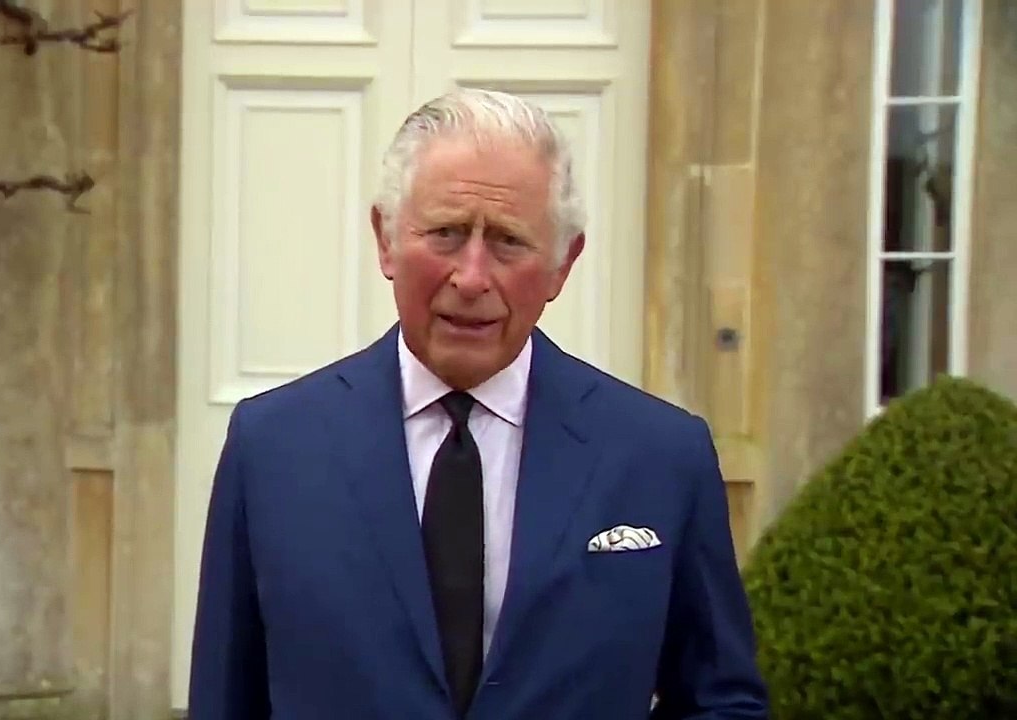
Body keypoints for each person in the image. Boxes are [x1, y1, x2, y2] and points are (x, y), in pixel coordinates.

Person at [188, 88, 769, 719]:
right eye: (445, 233)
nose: (470, 277)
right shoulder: (273, 448)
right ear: (385, 239)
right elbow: (226, 697)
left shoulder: (659, 456)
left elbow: (719, 700)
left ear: (561, 265)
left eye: (508, 242)